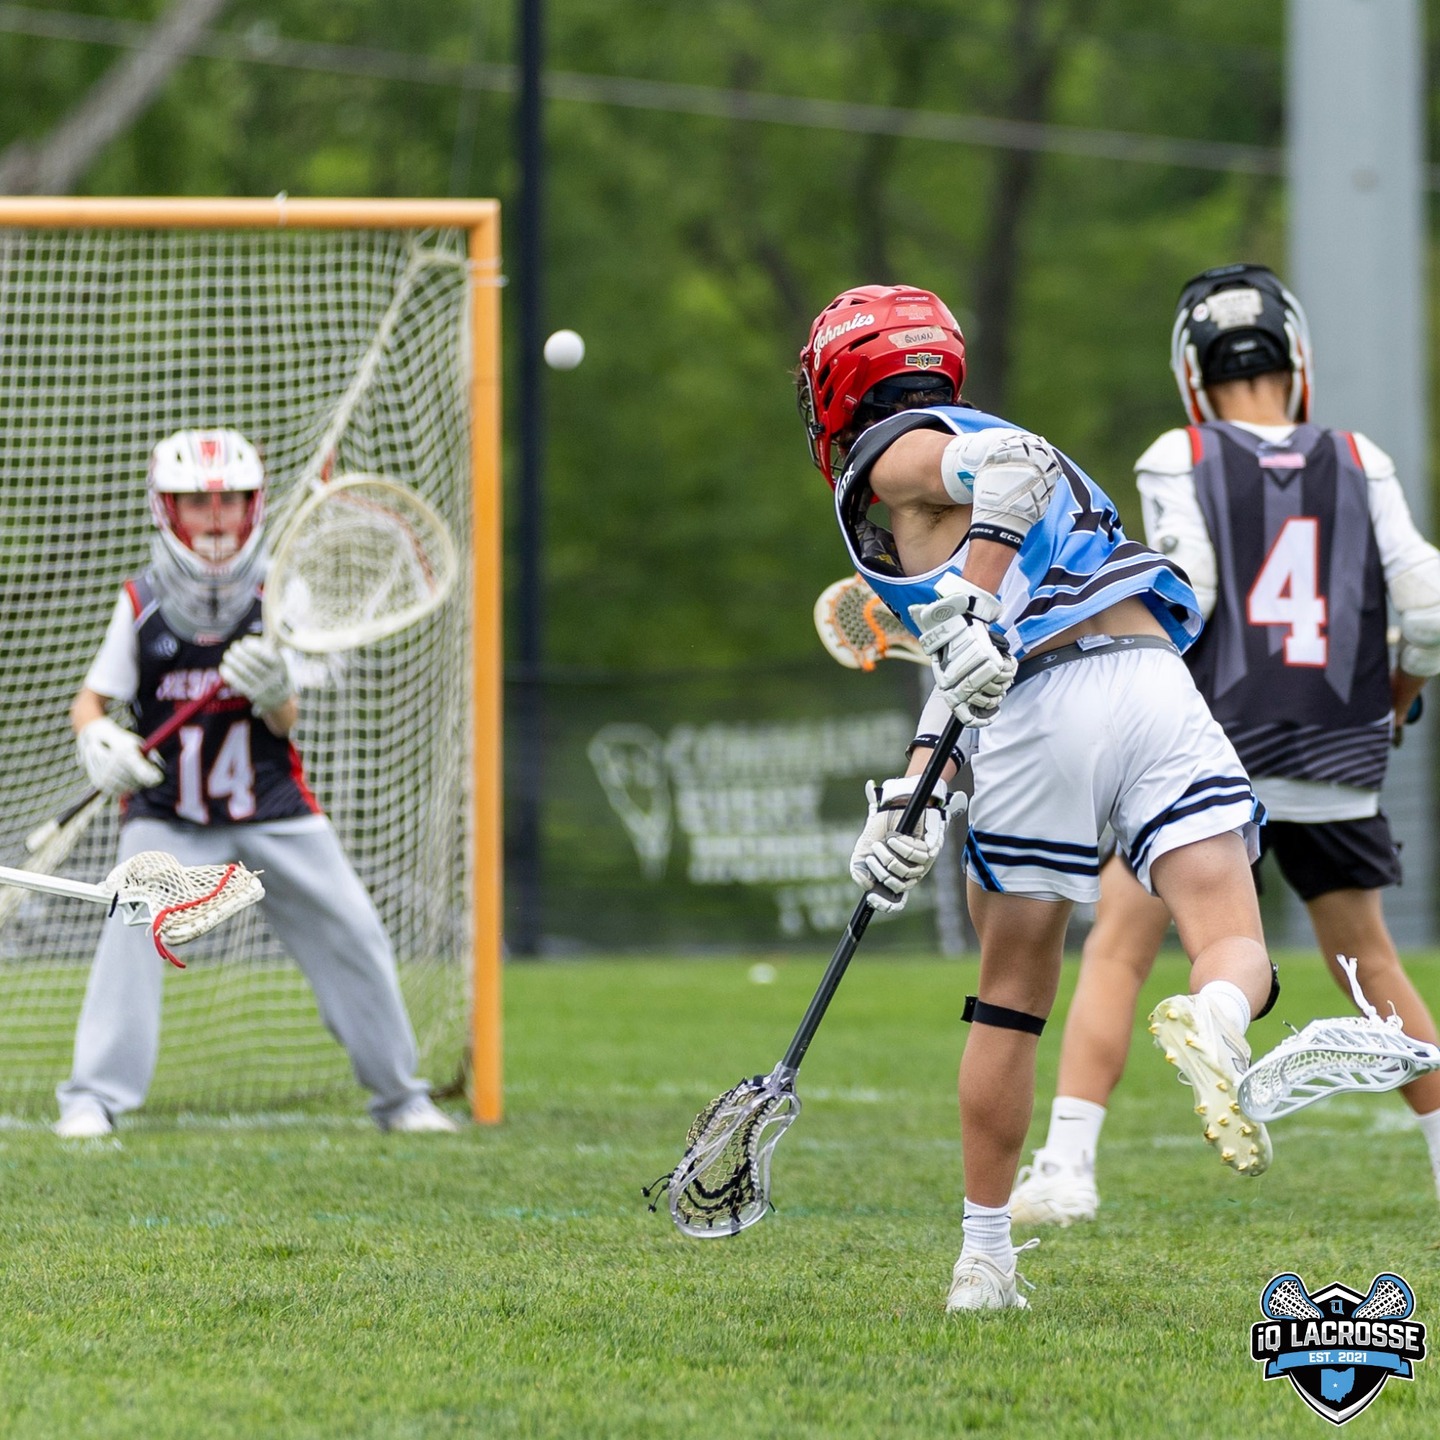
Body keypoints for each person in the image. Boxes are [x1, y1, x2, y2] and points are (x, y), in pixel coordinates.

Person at [798, 284, 1282, 1313]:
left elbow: (989, 587)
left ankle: (984, 1264)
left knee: (1011, 996)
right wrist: (911, 799)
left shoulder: (898, 453)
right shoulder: (993, 441)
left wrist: (970, 600)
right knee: (1235, 942)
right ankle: (1217, 1020)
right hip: (1153, 684)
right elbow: (969, 660)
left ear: (844, 380)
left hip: (1046, 711)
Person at [1008, 264, 1440, 1226]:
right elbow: (1428, 605)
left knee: (1120, 945)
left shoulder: (1182, 454)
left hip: (1218, 744)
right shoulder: (1359, 458)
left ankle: (1069, 1169)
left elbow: (1189, 592)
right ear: (1295, 359)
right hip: (1337, 751)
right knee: (1368, 961)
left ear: (1192, 372)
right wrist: (1399, 693)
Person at [54, 428, 458, 1138]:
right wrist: (98, 738)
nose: (216, 519)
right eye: (196, 503)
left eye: (232, 501)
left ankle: (401, 1096)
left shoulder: (280, 589)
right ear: (166, 510)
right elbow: (92, 697)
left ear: (255, 506)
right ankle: (94, 1097)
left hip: (272, 808)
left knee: (354, 932)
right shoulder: (142, 600)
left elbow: (286, 718)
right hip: (168, 812)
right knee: (130, 926)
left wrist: (273, 689)